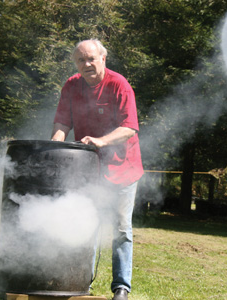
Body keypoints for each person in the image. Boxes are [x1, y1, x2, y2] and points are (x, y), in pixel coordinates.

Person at [51, 39, 143, 300]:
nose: (87, 64)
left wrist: (101, 140)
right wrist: (55, 143)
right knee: (85, 223)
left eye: (91, 58)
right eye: (81, 60)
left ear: (103, 58)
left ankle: (121, 287)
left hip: (123, 169)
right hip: (88, 167)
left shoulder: (119, 85)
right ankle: (81, 282)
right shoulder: (71, 85)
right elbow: (61, 121)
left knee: (121, 228)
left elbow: (130, 128)